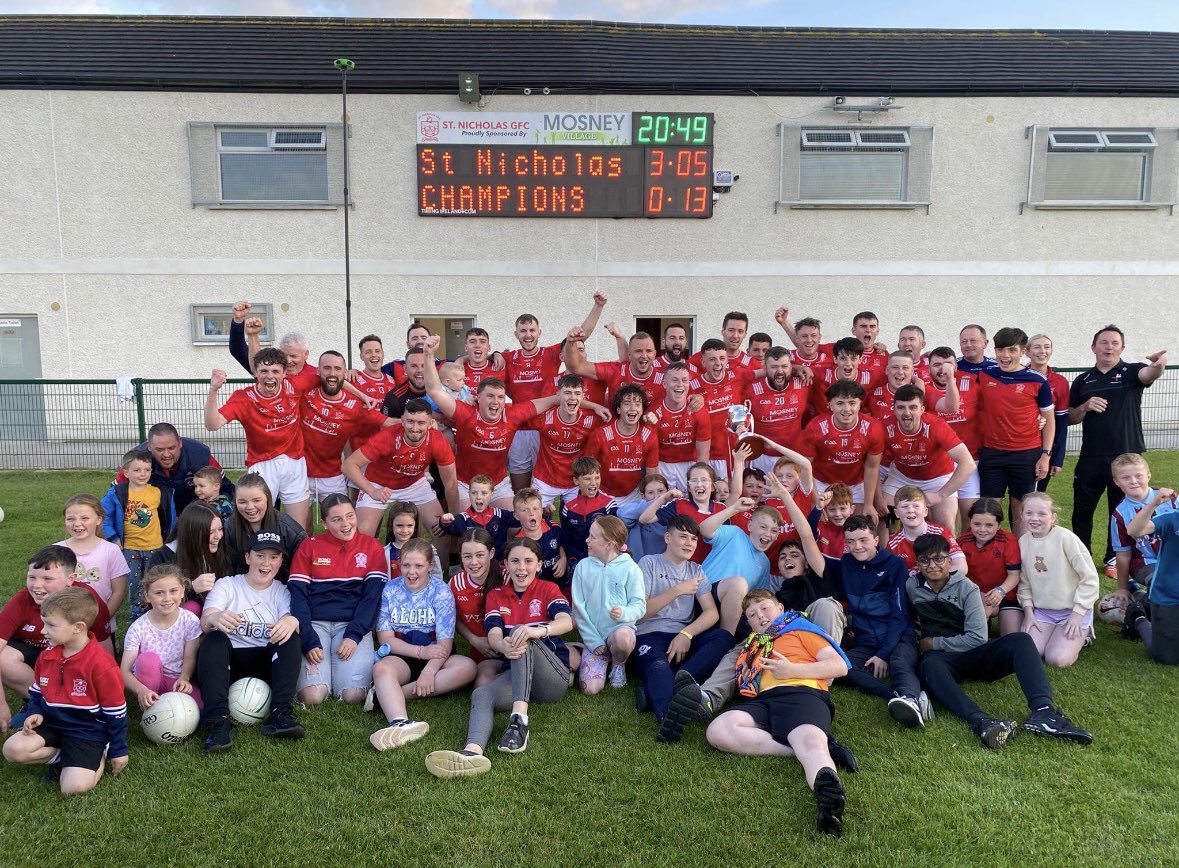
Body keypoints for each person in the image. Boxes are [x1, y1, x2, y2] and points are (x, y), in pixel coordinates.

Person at [907, 533, 1092, 750]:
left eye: (939, 558)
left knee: (1021, 640)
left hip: (972, 654)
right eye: (925, 560)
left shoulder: (967, 588)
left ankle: (1044, 712)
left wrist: (934, 643)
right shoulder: (912, 587)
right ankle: (982, 722)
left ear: (949, 561)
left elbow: (977, 637)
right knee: (929, 664)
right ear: (917, 564)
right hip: (941, 661)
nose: (932, 565)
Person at [705, 589, 850, 837]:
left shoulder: (802, 630)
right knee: (718, 731)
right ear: (749, 624)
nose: (760, 616)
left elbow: (839, 666)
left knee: (809, 742)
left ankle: (829, 805)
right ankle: (821, 749)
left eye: (764, 608)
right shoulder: (753, 647)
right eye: (752, 615)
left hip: (802, 694)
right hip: (764, 701)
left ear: (781, 609)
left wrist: (792, 670)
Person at [425, 538, 574, 779]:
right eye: (515, 561)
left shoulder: (548, 589)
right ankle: (472, 752)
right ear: (506, 564)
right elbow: (493, 634)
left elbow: (566, 622)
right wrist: (501, 645)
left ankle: (519, 721)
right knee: (482, 694)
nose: (521, 568)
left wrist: (538, 631)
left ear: (538, 565)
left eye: (528, 561)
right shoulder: (496, 595)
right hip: (517, 674)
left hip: (551, 680)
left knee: (520, 634)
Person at [424, 334, 597, 510]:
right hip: (466, 483)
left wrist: (594, 406)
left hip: (497, 485)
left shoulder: (512, 414)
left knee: (516, 521)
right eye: (490, 396)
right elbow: (434, 391)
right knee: (466, 522)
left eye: (500, 397)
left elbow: (555, 399)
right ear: (478, 397)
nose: (495, 402)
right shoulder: (466, 412)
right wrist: (429, 354)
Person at [796, 513, 926, 728]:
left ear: (876, 540)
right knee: (842, 668)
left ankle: (910, 698)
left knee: (899, 663)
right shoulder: (846, 563)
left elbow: (900, 613)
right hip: (866, 640)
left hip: (898, 635)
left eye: (863, 540)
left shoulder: (894, 564)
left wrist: (883, 654)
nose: (857, 547)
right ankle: (894, 695)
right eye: (850, 542)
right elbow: (809, 539)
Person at [1, 587, 128, 794]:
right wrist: (35, 712)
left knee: (72, 788)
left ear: (78, 627)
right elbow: (37, 693)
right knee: (12, 750)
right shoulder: (46, 655)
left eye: (50, 625)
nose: (43, 631)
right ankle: (62, 758)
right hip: (52, 724)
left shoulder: (102, 665)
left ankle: (99, 754)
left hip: (87, 732)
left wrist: (118, 749)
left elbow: (116, 713)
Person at [196, 530, 305, 752]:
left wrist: (290, 620)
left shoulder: (282, 591)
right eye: (260, 556)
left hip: (266, 663)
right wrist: (215, 617)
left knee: (290, 636)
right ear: (247, 557)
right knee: (213, 639)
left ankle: (280, 714)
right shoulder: (227, 585)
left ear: (281, 561)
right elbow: (206, 620)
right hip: (230, 662)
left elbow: (287, 618)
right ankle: (218, 721)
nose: (266, 563)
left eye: (274, 557)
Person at [1069, 325, 1167, 566]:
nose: (1109, 347)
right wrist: (1084, 406)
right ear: (1093, 347)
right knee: (1082, 509)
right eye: (1104, 342)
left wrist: (1159, 364)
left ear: (1122, 347)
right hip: (1091, 456)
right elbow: (1071, 417)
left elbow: (1150, 374)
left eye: (1114, 343)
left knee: (1121, 508)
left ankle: (1113, 557)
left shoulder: (1131, 372)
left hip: (1126, 457)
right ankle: (1082, 557)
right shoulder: (1083, 380)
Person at [369, 539, 476, 750]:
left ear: (430, 565)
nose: (411, 572)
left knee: (467, 667)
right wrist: (420, 652)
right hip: (403, 652)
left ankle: (389, 694)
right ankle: (399, 722)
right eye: (406, 565)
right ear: (399, 563)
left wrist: (429, 671)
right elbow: (386, 639)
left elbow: (445, 643)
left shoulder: (441, 591)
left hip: (437, 653)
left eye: (419, 566)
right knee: (381, 669)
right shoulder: (390, 589)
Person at [633, 515, 732, 740]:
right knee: (658, 666)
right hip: (650, 634)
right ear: (668, 538)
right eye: (683, 537)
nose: (689, 543)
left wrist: (686, 633)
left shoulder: (695, 570)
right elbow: (641, 612)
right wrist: (677, 590)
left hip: (681, 637)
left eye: (693, 539)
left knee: (723, 637)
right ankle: (668, 718)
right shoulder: (649, 563)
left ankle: (659, 686)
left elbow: (711, 612)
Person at [502, 291, 609, 490]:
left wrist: (598, 306)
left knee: (543, 483)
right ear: (516, 334)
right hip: (520, 428)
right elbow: (488, 372)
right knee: (521, 488)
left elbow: (581, 335)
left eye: (532, 330)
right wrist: (493, 354)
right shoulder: (507, 358)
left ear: (539, 332)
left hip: (546, 428)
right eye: (523, 331)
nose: (528, 335)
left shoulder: (551, 353)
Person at [288, 494, 387, 707]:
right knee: (313, 696)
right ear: (324, 523)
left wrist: (354, 635)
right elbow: (298, 597)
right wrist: (307, 638)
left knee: (353, 695)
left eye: (350, 516)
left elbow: (371, 599)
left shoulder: (372, 547)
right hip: (315, 623)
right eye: (337, 519)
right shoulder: (308, 547)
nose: (346, 524)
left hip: (351, 624)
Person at [0, 547, 113, 734]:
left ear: (70, 579)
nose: (37, 585)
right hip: (35, 658)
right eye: (32, 577)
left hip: (72, 660)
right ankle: (39, 704)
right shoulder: (22, 600)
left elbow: (104, 649)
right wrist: (2, 704)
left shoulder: (87, 601)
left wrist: (109, 694)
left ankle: (67, 706)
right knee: (4, 658)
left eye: (47, 579)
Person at [205, 348, 312, 529]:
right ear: (255, 373)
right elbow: (212, 425)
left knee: (298, 526)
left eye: (275, 371)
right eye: (264, 371)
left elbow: (328, 375)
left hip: (294, 462)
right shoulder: (243, 398)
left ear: (284, 373)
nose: (270, 376)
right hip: (262, 464)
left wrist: (352, 375)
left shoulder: (294, 386)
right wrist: (213, 390)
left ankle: (294, 549)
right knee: (257, 524)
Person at [975, 328, 1055, 536]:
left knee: (1021, 509)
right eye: (1000, 349)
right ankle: (993, 552)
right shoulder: (984, 375)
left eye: (1012, 350)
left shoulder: (1038, 380)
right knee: (989, 509)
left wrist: (1045, 455)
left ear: (1023, 351)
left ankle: (1021, 552)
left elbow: (1049, 420)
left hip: (1026, 454)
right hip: (992, 452)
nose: (1005, 355)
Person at [344, 397, 458, 538]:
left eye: (421, 423)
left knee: (442, 533)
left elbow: (451, 483)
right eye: (410, 421)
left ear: (430, 423)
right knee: (362, 536)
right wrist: (372, 491)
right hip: (378, 484)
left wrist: (455, 517)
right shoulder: (387, 437)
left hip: (414, 484)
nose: (414, 428)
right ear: (402, 420)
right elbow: (348, 465)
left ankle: (430, 554)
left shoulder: (437, 440)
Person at [298, 350, 393, 515]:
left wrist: (425, 422)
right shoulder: (304, 393)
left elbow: (388, 423)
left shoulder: (355, 405)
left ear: (345, 372)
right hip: (300, 473)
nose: (332, 373)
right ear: (318, 371)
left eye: (337, 368)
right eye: (327, 368)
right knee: (301, 525)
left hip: (332, 476)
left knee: (342, 519)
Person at [1017, 493, 1100, 668]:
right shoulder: (1023, 542)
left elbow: (1090, 579)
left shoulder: (1066, 539)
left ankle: (1083, 636)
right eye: (1029, 513)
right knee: (1030, 652)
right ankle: (1058, 635)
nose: (1034, 518)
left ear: (1053, 517)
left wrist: (1077, 614)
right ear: (1022, 515)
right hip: (1043, 611)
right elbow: (1024, 582)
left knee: (1056, 659)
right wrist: (1028, 612)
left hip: (1073, 610)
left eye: (1042, 513)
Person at [878, 385, 975, 529]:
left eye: (913, 407)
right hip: (902, 476)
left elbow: (968, 463)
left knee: (945, 523)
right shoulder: (885, 427)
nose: (907, 413)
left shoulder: (936, 426)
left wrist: (940, 495)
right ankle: (889, 543)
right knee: (883, 514)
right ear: (894, 409)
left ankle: (946, 544)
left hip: (937, 478)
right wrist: (878, 497)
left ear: (922, 409)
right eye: (901, 408)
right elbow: (871, 464)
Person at [571, 516, 645, 694]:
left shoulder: (631, 569)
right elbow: (578, 608)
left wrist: (624, 613)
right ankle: (588, 651)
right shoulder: (582, 567)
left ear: (609, 545)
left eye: (593, 537)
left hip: (619, 632)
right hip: (594, 636)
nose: (587, 540)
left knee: (623, 639)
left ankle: (618, 663)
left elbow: (640, 606)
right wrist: (593, 641)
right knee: (590, 689)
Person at [102, 448, 176, 621]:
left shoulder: (158, 492)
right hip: (130, 548)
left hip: (155, 546)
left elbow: (171, 517)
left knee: (155, 579)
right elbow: (103, 515)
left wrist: (169, 539)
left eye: (147, 470)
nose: (143, 474)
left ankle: (154, 609)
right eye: (137, 470)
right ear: (125, 472)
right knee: (134, 582)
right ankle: (136, 614)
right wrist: (113, 537)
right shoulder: (118, 493)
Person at [796, 379, 884, 519]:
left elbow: (871, 467)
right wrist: (815, 498)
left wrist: (869, 504)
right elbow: (804, 467)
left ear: (860, 404)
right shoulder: (815, 428)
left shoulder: (873, 428)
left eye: (852, 403)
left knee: (859, 523)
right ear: (830, 405)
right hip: (821, 482)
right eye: (840, 403)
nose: (847, 409)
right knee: (819, 523)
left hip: (856, 484)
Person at [120, 564, 202, 710]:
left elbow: (190, 658)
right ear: (147, 596)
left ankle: (167, 704)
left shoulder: (190, 621)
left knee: (199, 709)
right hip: (148, 682)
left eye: (173, 591)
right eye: (159, 593)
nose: (167, 598)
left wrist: (185, 677)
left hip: (177, 680)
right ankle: (151, 706)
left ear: (183, 591)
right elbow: (124, 671)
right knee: (147, 660)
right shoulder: (138, 628)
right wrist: (141, 690)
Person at [698, 494, 782, 635]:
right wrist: (735, 508)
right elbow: (704, 529)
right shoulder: (734, 534)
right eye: (763, 527)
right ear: (750, 526)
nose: (768, 534)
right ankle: (726, 637)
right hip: (702, 596)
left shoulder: (764, 563)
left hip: (730, 611)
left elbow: (758, 598)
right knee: (738, 584)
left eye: (774, 531)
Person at [113, 422, 233, 514]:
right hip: (153, 517)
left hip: (195, 515)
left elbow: (226, 488)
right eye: (159, 450)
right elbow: (115, 494)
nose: (166, 454)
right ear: (149, 446)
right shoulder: (136, 461)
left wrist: (215, 507)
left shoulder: (199, 454)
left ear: (180, 443)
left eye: (171, 448)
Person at [57, 494, 128, 643]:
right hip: (64, 626)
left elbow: (118, 591)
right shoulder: (56, 551)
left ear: (99, 519)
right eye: (70, 519)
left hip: (101, 625)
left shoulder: (111, 551)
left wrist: (102, 619)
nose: (77, 524)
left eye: (85, 518)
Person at [1109, 453, 1177, 605]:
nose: (1133, 481)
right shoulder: (1120, 515)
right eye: (1126, 477)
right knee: (1163, 584)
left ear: (1148, 475)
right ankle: (1140, 602)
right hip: (1145, 562)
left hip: (1173, 557)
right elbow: (1123, 554)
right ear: (1116, 482)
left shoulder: (1172, 499)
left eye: (1138, 475)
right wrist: (1121, 588)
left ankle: (1140, 595)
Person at [525, 374, 600, 507]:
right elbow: (519, 413)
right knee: (533, 513)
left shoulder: (592, 419)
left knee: (580, 517)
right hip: (545, 480)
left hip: (575, 481)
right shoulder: (544, 417)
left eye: (577, 393)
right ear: (558, 395)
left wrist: (597, 407)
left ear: (583, 397)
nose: (573, 397)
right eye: (567, 393)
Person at [1124, 484, 1179, 664]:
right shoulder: (1172, 518)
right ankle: (1138, 615)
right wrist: (1153, 503)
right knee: (1165, 658)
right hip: (1168, 598)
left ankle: (1138, 594)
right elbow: (1134, 530)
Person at [146, 501, 232, 614]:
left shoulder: (222, 548)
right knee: (192, 607)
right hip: (179, 618)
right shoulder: (164, 557)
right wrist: (191, 588)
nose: (218, 536)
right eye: (211, 532)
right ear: (192, 533)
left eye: (220, 529)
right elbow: (156, 598)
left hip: (217, 613)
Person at [689, 338, 758, 478]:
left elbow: (768, 371)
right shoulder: (692, 386)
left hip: (732, 455)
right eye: (712, 359)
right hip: (704, 456)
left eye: (722, 358)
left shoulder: (737, 376)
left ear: (727, 360)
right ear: (703, 362)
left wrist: (797, 368)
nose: (718, 363)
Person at [222, 473, 308, 585]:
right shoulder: (229, 527)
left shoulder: (291, 531)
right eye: (242, 502)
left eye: (257, 500)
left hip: (282, 589)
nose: (250, 507)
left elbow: (304, 573)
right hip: (241, 588)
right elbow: (224, 568)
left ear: (268, 498)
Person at [957, 499, 1023, 636]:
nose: (982, 530)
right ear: (970, 522)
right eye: (977, 524)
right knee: (980, 614)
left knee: (1012, 637)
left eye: (989, 525)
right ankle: (981, 630)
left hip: (1007, 594)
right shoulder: (962, 542)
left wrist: (1000, 591)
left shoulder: (1008, 541)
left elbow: (1014, 575)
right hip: (979, 594)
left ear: (999, 525)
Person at [586, 383, 660, 505]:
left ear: (642, 410)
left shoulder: (648, 435)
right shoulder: (600, 434)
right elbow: (587, 470)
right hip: (603, 494)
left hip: (634, 495)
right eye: (627, 403)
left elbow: (652, 475)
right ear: (618, 409)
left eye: (638, 404)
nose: (632, 408)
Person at [450, 528, 505, 687]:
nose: (473, 562)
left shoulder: (507, 578)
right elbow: (454, 619)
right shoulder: (455, 584)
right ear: (461, 557)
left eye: (480, 555)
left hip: (511, 646)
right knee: (482, 684)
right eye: (467, 556)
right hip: (482, 652)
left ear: (491, 553)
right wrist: (474, 640)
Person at [742, 347, 811, 474]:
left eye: (784, 366)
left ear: (791, 367)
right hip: (762, 457)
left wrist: (799, 368)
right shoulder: (750, 389)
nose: (779, 371)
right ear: (765, 368)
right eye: (774, 367)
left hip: (792, 455)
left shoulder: (803, 382)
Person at [641, 462, 726, 564]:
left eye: (704, 480)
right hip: (682, 568)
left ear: (712, 486)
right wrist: (664, 498)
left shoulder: (722, 509)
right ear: (689, 487)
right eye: (694, 480)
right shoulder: (678, 504)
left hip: (712, 568)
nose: (699, 484)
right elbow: (645, 519)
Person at [647, 361, 711, 491]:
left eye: (684, 380)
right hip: (663, 465)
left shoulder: (699, 411)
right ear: (664, 384)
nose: (680, 384)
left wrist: (699, 481)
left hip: (690, 464)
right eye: (674, 380)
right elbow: (651, 456)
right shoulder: (654, 413)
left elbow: (703, 453)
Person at [885, 486, 968, 577]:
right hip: (911, 585)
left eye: (916, 506)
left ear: (925, 511)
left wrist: (932, 581)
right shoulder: (892, 544)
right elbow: (891, 577)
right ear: (896, 513)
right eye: (905, 507)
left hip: (942, 583)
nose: (911, 510)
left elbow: (961, 567)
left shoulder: (940, 533)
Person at [1025, 334, 1070, 493]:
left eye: (1047, 347)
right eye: (1037, 347)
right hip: (1019, 445)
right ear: (1026, 352)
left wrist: (1057, 458)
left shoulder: (1060, 382)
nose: (1042, 351)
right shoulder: (1018, 376)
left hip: (1044, 450)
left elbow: (1061, 423)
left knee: (1035, 495)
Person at [560, 456, 618, 573]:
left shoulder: (609, 505)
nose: (593, 483)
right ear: (576, 480)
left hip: (602, 559)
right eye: (587, 479)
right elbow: (566, 539)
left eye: (597, 477)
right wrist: (570, 558)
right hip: (577, 559)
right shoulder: (568, 509)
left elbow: (615, 537)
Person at [440, 475, 520, 558]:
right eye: (474, 493)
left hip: (498, 561)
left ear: (491, 495)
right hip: (474, 563)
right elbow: (450, 528)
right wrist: (444, 522)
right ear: (469, 494)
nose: (478, 497)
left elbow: (519, 520)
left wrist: (524, 511)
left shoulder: (501, 515)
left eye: (484, 493)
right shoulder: (463, 518)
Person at [510, 488, 566, 584]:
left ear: (541, 511)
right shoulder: (518, 543)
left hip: (559, 580)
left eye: (535, 509)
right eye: (525, 510)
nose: (531, 514)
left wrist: (563, 558)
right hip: (536, 586)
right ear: (516, 516)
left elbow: (561, 543)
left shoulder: (553, 527)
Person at [383, 501, 444, 582]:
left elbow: (437, 577)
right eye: (399, 525)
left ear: (415, 526)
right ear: (391, 525)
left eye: (409, 525)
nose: (404, 530)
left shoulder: (428, 550)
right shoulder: (384, 552)